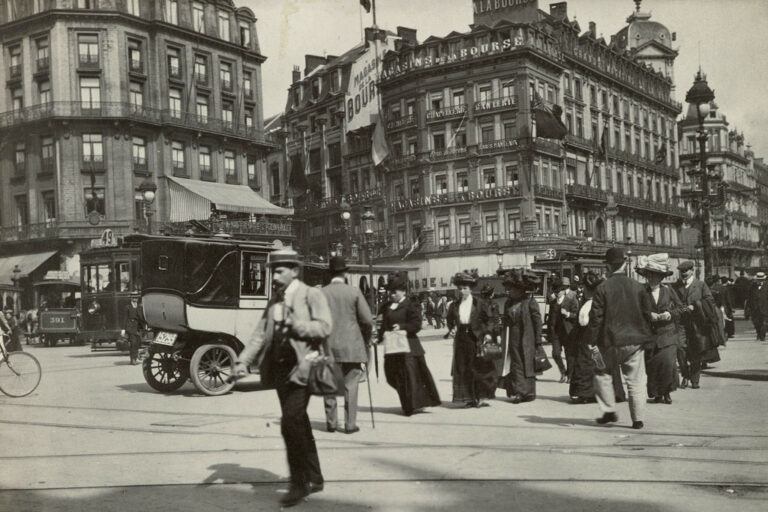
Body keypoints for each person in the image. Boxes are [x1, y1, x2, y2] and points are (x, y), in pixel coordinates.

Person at [233, 249, 332, 508]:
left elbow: (325, 326)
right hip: (279, 371)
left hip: (304, 367)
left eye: (279, 271)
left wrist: (298, 326)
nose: (274, 277)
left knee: (290, 422)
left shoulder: (312, 294)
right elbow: (259, 335)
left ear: (294, 271)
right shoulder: (274, 301)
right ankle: (315, 475)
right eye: (272, 272)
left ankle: (298, 484)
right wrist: (243, 361)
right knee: (298, 421)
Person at [589, 248, 653, 430]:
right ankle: (638, 419)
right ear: (624, 264)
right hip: (634, 342)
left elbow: (596, 319)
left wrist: (591, 342)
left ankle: (609, 410)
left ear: (608, 266)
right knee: (636, 382)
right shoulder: (638, 286)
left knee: (601, 374)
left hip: (609, 343)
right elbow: (647, 315)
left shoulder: (602, 288)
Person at [321, 256, 373, 435]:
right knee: (351, 384)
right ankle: (350, 424)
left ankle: (331, 423)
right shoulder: (354, 292)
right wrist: (364, 340)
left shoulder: (321, 293)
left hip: (327, 346)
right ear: (344, 273)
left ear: (330, 274)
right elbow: (367, 320)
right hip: (351, 345)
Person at [377, 274, 440, 416]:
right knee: (392, 376)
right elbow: (384, 326)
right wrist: (378, 338)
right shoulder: (387, 307)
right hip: (392, 347)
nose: (392, 294)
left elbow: (416, 325)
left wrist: (402, 326)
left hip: (409, 348)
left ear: (403, 291)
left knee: (409, 377)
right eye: (390, 291)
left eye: (395, 291)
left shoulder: (411, 305)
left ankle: (410, 406)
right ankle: (408, 403)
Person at [636, 254, 686, 405]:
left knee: (668, 364)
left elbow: (680, 308)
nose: (653, 279)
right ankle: (656, 393)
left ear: (661, 277)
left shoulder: (668, 290)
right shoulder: (642, 291)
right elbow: (637, 310)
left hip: (668, 333)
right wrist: (648, 315)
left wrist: (668, 314)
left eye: (656, 276)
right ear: (646, 276)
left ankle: (667, 392)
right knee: (652, 366)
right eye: (650, 275)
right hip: (650, 335)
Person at [446, 272, 495, 408]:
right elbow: (450, 320)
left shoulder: (479, 303)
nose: (462, 291)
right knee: (463, 367)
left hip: (476, 337)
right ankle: (468, 398)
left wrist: (488, 333)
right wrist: (452, 329)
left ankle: (480, 397)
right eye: (460, 288)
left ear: (470, 289)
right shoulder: (454, 305)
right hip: (461, 337)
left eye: (465, 288)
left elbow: (490, 319)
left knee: (477, 367)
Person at [672, 261, 720, 389]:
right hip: (681, 322)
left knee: (696, 350)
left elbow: (709, 300)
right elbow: (671, 301)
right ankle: (685, 374)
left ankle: (695, 379)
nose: (684, 274)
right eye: (681, 272)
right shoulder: (675, 286)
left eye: (686, 271)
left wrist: (695, 305)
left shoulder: (700, 285)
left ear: (692, 271)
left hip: (697, 322)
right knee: (680, 348)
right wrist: (678, 308)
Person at [498, 269, 543, 403]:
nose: (508, 291)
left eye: (511, 289)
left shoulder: (529, 302)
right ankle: (518, 392)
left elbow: (537, 322)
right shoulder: (508, 303)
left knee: (527, 364)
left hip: (527, 338)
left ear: (519, 289)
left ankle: (529, 392)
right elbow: (505, 320)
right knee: (515, 363)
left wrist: (538, 340)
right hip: (512, 337)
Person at [568, 272, 601, 404]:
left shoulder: (593, 303)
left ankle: (586, 393)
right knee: (587, 364)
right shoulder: (587, 302)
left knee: (587, 364)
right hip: (585, 338)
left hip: (591, 338)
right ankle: (586, 392)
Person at [546, 277, 568, 383]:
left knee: (569, 356)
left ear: (563, 290)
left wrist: (568, 314)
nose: (558, 293)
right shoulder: (553, 302)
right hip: (556, 333)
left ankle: (569, 374)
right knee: (555, 354)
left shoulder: (570, 300)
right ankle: (563, 371)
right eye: (556, 291)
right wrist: (549, 332)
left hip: (567, 332)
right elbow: (550, 318)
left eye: (559, 290)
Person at [121, 297, 145, 365]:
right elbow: (125, 318)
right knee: (133, 342)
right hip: (130, 327)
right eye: (134, 297)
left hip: (138, 327)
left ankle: (136, 356)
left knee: (138, 342)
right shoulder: (127, 307)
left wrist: (144, 326)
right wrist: (123, 329)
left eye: (136, 297)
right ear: (131, 298)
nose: (135, 299)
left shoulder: (140, 307)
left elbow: (142, 318)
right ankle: (133, 359)